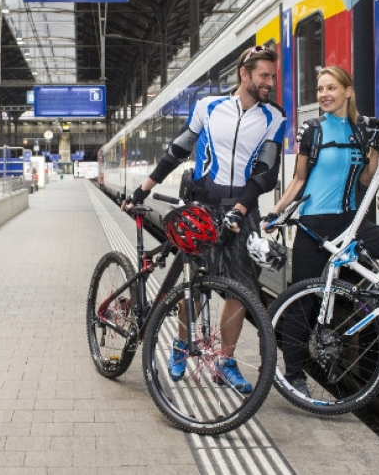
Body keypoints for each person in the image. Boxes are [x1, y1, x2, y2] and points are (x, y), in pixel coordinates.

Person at [264, 65, 379, 396]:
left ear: (348, 91)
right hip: (314, 227)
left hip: (352, 225)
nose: (324, 95)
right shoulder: (313, 131)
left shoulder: (360, 131)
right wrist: (275, 212)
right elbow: (299, 180)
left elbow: (364, 180)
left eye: (331, 88)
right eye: (320, 89)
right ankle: (295, 374)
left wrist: (374, 147)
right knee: (303, 301)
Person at [122, 44, 286, 393]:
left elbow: (265, 173)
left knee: (240, 290)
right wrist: (143, 189)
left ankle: (225, 362)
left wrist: (240, 210)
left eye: (272, 76)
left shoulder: (275, 117)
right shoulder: (208, 107)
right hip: (203, 208)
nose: (269, 82)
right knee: (195, 285)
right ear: (245, 74)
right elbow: (177, 151)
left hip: (243, 208)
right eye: (264, 76)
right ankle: (181, 346)